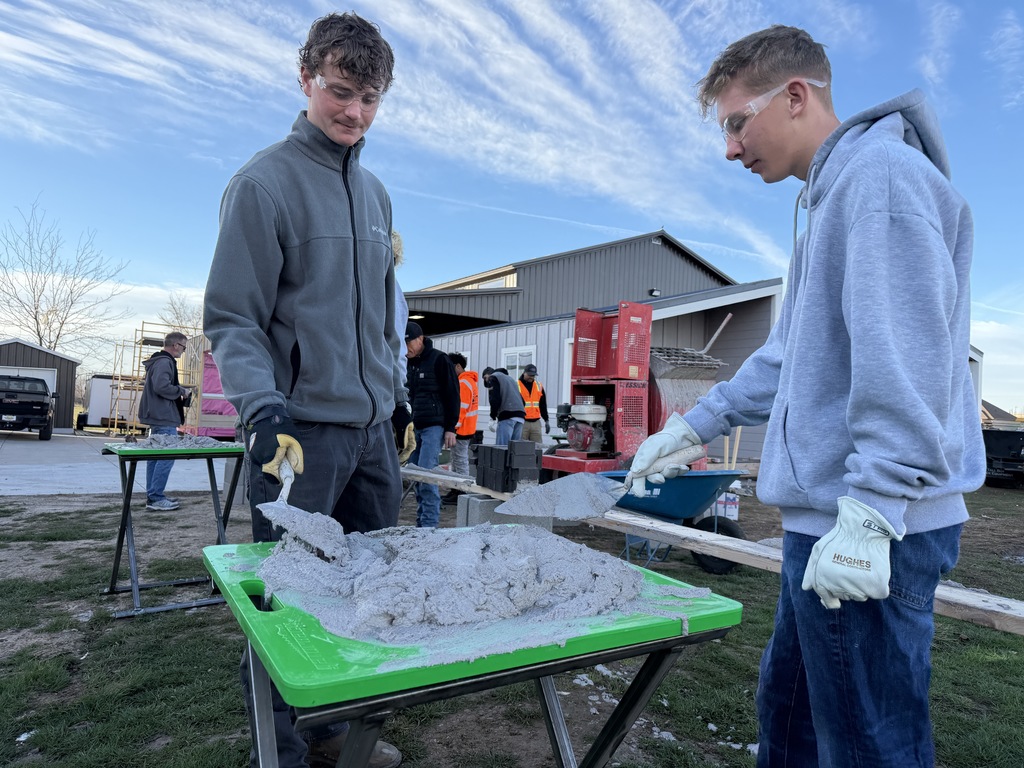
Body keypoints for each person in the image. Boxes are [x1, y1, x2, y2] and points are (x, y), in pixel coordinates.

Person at [626, 25, 984, 768]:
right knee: (788, 723)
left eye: (735, 122)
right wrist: (694, 425)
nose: (729, 148)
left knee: (868, 745)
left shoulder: (880, 179)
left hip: (867, 524)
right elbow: (790, 356)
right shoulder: (834, 199)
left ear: (795, 96)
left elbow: (910, 362)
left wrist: (875, 513)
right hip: (824, 520)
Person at [203, 12, 405, 768]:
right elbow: (232, 317)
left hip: (373, 435)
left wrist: (397, 398)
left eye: (371, 97)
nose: (354, 111)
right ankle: (278, 748)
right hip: (301, 437)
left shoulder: (377, 196)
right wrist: (263, 408)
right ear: (306, 79)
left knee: (367, 594)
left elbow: (383, 317)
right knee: (287, 602)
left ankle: (334, 732)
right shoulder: (263, 185)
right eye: (341, 90)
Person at [404, 321, 459, 527]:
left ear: (420, 339)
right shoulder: (407, 363)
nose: (405, 347)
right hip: (413, 427)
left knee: (426, 475)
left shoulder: (439, 360)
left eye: (408, 342)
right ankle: (421, 524)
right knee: (415, 476)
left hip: (433, 427)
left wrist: (450, 428)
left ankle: (429, 525)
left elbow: (452, 395)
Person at [138, 332, 192, 511]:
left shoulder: (159, 361)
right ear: (176, 345)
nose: (183, 351)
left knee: (156, 456)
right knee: (167, 455)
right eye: (183, 347)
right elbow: (161, 386)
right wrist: (180, 391)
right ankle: (156, 498)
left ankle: (153, 496)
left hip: (158, 415)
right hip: (163, 416)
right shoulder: (164, 362)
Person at [442, 353, 479, 503]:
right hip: (466, 429)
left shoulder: (463, 383)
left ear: (458, 366)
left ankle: (462, 493)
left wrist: (453, 428)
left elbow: (461, 409)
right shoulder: (468, 381)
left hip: (461, 430)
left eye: (451, 367)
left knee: (460, 461)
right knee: (457, 460)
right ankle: (456, 490)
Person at [482, 367, 526, 446]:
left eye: (485, 377)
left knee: (502, 448)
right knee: (514, 449)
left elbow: (494, 399)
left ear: (488, 374)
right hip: (520, 417)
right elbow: (523, 401)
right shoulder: (511, 380)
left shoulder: (493, 377)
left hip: (507, 416)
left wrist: (493, 417)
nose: (486, 380)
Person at [517, 363, 549, 444]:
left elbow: (543, 404)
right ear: (524, 373)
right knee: (521, 447)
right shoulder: (517, 385)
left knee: (537, 448)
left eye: (533, 375)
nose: (532, 377)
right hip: (522, 422)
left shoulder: (538, 385)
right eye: (530, 375)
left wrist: (546, 420)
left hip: (536, 423)